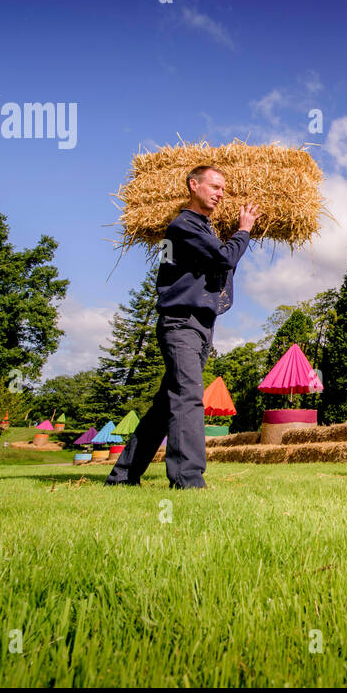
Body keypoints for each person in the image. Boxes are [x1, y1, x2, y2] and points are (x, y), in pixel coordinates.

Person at [106, 165, 259, 489]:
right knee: (189, 396)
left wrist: (234, 235)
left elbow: (218, 262)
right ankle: (187, 480)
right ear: (193, 185)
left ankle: (122, 476)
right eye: (215, 186)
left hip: (201, 326)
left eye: (223, 189)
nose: (220, 193)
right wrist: (244, 230)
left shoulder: (205, 230)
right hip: (180, 324)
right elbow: (224, 259)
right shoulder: (183, 226)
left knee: (166, 406)